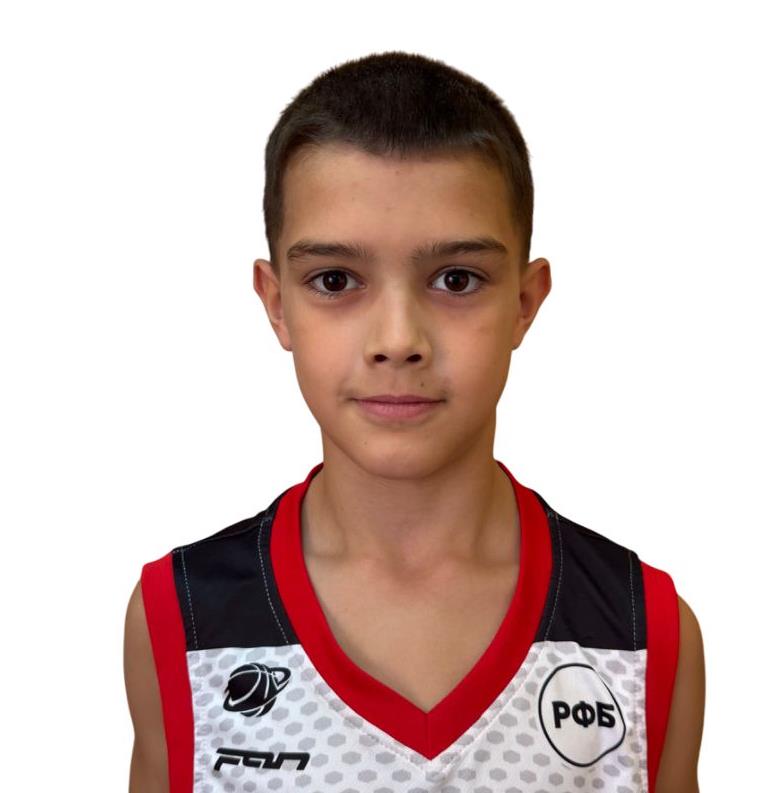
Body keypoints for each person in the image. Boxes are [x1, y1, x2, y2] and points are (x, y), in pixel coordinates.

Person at [124, 50, 705, 793]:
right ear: (277, 304)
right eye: (335, 279)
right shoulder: (183, 621)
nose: (397, 339)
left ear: (524, 301)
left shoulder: (641, 633)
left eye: (455, 279)